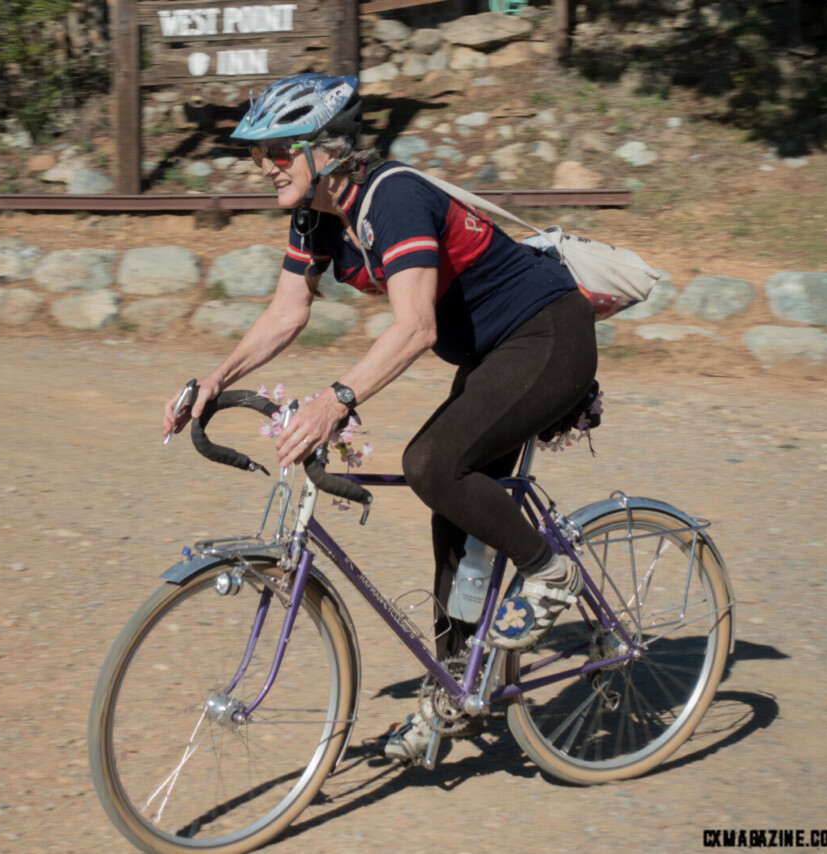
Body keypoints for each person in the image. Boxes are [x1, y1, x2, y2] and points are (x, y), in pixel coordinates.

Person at [160, 73, 598, 763]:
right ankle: (455, 691)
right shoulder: (314, 216)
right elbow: (286, 311)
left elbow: (417, 325)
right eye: (258, 155)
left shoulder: (391, 199)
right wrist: (215, 379)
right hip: (491, 356)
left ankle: (549, 572)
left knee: (431, 464)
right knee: (451, 502)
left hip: (547, 337)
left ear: (326, 149)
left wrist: (337, 398)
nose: (265, 167)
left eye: (280, 151)